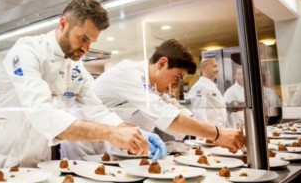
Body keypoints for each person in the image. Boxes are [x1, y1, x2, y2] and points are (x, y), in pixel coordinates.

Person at [0, 0, 166, 173]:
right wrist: (113, 134)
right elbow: (42, 114)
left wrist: (135, 133)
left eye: (91, 42)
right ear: (63, 24)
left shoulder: (76, 68)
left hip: (33, 166)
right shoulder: (27, 50)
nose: (86, 48)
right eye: (83, 38)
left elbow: (97, 111)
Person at [61, 39, 245, 159]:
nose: (176, 87)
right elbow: (170, 119)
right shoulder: (130, 73)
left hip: (109, 140)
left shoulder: (155, 87)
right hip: (83, 141)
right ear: (162, 63)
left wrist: (216, 136)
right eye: (177, 78)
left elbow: (177, 110)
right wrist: (218, 134)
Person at [188, 58, 228, 128]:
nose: (217, 70)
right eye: (214, 66)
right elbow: (199, 113)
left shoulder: (212, 86)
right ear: (204, 68)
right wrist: (207, 134)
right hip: (211, 134)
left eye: (217, 66)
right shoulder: (199, 87)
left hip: (220, 131)